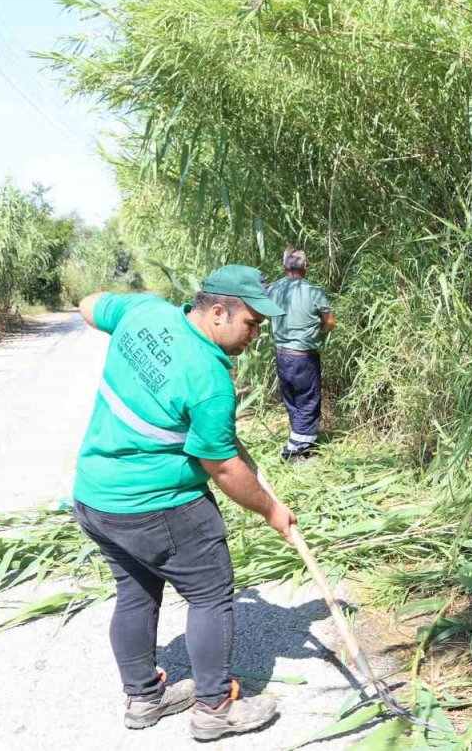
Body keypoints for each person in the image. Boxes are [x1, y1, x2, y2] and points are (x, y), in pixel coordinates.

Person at [71, 265, 297, 741]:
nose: (255, 335)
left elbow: (89, 305)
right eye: (251, 323)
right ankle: (214, 708)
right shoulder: (210, 379)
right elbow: (224, 468)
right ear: (218, 313)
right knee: (210, 593)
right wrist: (273, 511)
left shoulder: (144, 310)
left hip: (96, 498)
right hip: (158, 506)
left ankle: (143, 698)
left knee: (135, 591)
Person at [266, 248, 335, 461]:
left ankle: (301, 444)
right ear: (305, 266)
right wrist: (319, 331)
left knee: (293, 402)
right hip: (304, 356)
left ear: (284, 267)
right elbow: (330, 322)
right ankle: (294, 451)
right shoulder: (314, 292)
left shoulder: (273, 290)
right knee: (308, 401)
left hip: (282, 355)